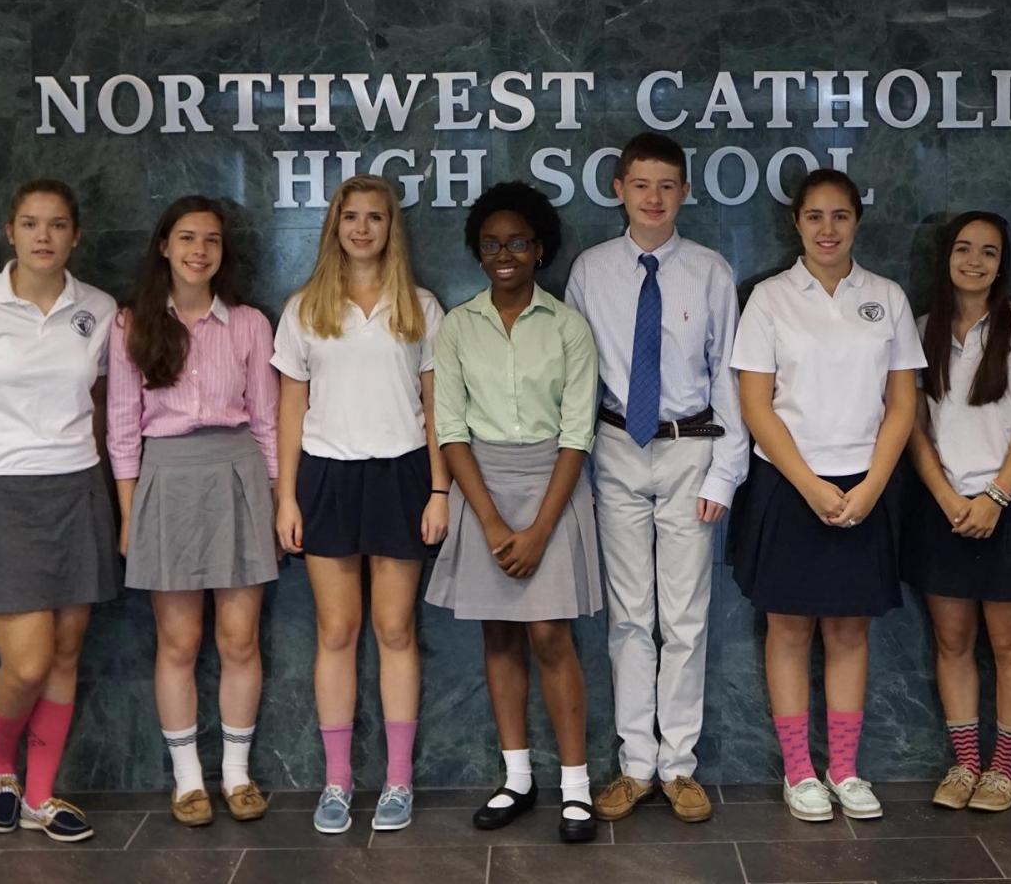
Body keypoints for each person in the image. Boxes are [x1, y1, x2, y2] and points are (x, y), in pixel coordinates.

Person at [0, 179, 119, 843]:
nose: (44, 236)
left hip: (76, 489)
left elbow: (100, 407)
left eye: (57, 224)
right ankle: (0, 767)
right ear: (10, 232)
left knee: (65, 653)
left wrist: (103, 489)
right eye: (31, 223)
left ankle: (39, 794)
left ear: (75, 235)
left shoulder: (98, 308)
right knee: (28, 662)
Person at [730, 168, 925, 823]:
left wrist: (871, 485)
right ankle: (799, 772)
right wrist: (810, 484)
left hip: (865, 484)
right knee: (788, 627)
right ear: (796, 223)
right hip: (789, 484)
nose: (827, 229)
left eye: (840, 215)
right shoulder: (769, 299)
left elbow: (902, 403)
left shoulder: (887, 297)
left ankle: (844, 768)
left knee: (849, 627)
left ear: (857, 221)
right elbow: (756, 405)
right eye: (814, 216)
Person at [566, 133, 747, 825]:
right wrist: (576, 467)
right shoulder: (591, 270)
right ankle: (636, 765)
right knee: (630, 617)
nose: (654, 197)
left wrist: (725, 474)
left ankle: (679, 767)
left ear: (685, 192)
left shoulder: (709, 271)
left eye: (667, 185)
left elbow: (729, 376)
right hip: (615, 447)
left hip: (689, 451)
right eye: (641, 184)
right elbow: (577, 373)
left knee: (686, 617)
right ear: (619, 189)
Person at [424, 181, 601, 843]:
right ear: (478, 251)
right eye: (492, 243)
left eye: (518, 242)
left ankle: (576, 787)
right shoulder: (457, 326)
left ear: (540, 249)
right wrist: (494, 523)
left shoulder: (567, 326)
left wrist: (539, 529)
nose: (504, 254)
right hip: (482, 489)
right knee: (499, 633)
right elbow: (450, 428)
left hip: (553, 485)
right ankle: (518, 779)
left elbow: (578, 433)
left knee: (550, 634)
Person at [274, 175, 449, 835]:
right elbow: (290, 408)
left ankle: (398, 781)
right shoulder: (305, 308)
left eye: (375, 217)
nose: (363, 228)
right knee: (336, 630)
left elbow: (437, 406)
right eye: (351, 216)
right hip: (326, 476)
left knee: (396, 629)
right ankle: (338, 781)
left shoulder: (421, 307)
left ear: (391, 227)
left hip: (402, 474)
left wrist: (439, 488)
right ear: (335, 226)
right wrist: (286, 497)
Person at [107, 195, 280, 827]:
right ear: (164, 246)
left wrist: (273, 500)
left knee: (239, 638)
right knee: (178, 641)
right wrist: (129, 514)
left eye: (210, 240)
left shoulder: (250, 324)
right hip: (167, 477)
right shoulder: (131, 323)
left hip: (237, 472)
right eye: (186, 238)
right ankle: (187, 781)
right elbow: (121, 426)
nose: (198, 250)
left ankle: (236, 774)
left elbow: (267, 422)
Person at [904, 211, 1011, 814]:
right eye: (964, 249)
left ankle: (1005, 770)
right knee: (952, 641)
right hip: (943, 507)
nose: (974, 261)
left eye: (989, 252)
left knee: (1010, 644)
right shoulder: (920, 331)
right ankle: (968, 763)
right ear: (946, 257)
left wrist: (995, 497)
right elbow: (913, 428)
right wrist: (948, 498)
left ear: (1002, 264)